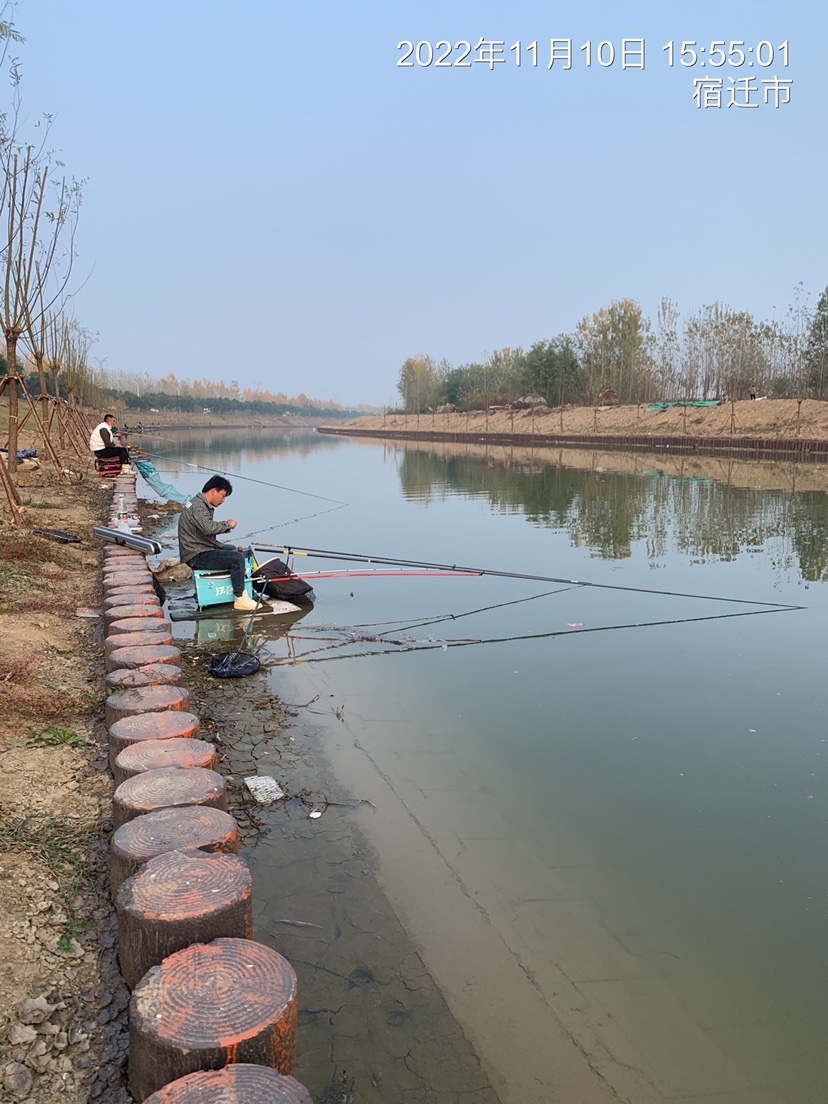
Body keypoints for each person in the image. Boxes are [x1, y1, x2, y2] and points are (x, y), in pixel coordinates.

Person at [178, 475, 257, 611]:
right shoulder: (198, 506)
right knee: (237, 559)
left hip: (199, 548)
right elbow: (208, 528)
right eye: (223, 495)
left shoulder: (198, 503)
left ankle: (241, 590)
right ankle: (240, 598)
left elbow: (205, 532)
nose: (223, 500)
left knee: (232, 549)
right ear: (214, 490)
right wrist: (228, 524)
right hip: (196, 555)